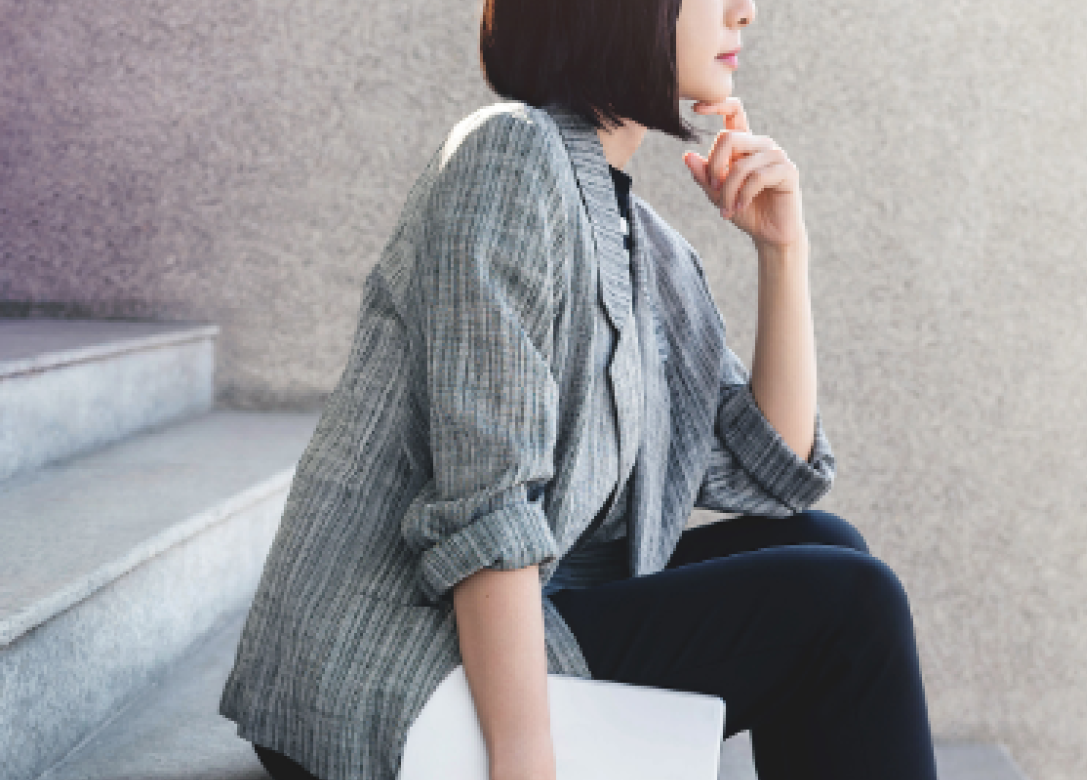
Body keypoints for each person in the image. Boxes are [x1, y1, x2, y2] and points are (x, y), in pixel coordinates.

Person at [217, 0, 938, 778]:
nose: (746, 11)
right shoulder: (507, 159)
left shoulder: (646, 242)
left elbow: (773, 470)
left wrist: (782, 250)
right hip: (384, 667)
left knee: (826, 548)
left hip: (517, 615)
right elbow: (487, 504)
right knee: (849, 607)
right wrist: (526, 764)